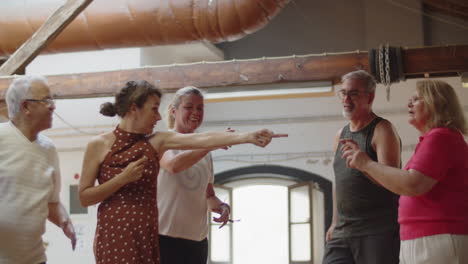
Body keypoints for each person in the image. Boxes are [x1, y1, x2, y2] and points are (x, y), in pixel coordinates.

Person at [78, 80, 286, 264]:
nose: (158, 117)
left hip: (150, 235)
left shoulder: (156, 141)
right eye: (154, 109)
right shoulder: (99, 144)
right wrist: (123, 178)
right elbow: (85, 197)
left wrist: (247, 136)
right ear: (134, 109)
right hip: (119, 234)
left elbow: (201, 140)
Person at [341, 79, 468, 264]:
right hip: (425, 236)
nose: (409, 103)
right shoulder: (434, 139)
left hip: (437, 235)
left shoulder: (441, 137)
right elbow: (402, 185)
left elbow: (413, 184)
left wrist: (366, 164)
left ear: (437, 103)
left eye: (417, 99)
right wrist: (363, 163)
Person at [322, 70, 401, 264]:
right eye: (343, 93)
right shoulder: (340, 134)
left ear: (370, 96)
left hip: (376, 230)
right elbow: (338, 182)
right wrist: (334, 222)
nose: (346, 99)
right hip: (342, 230)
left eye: (354, 93)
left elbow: (393, 182)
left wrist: (365, 165)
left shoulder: (382, 130)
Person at [0, 75, 76, 264]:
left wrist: (65, 221)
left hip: (34, 259)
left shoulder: (48, 149)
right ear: (26, 106)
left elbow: (51, 203)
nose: (53, 106)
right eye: (46, 100)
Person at [157, 86, 232, 264]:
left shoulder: (205, 150)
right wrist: (210, 144)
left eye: (200, 108)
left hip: (197, 241)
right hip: (165, 237)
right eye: (189, 107)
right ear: (174, 111)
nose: (195, 112)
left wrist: (222, 207)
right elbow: (174, 166)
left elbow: (208, 195)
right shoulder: (163, 139)